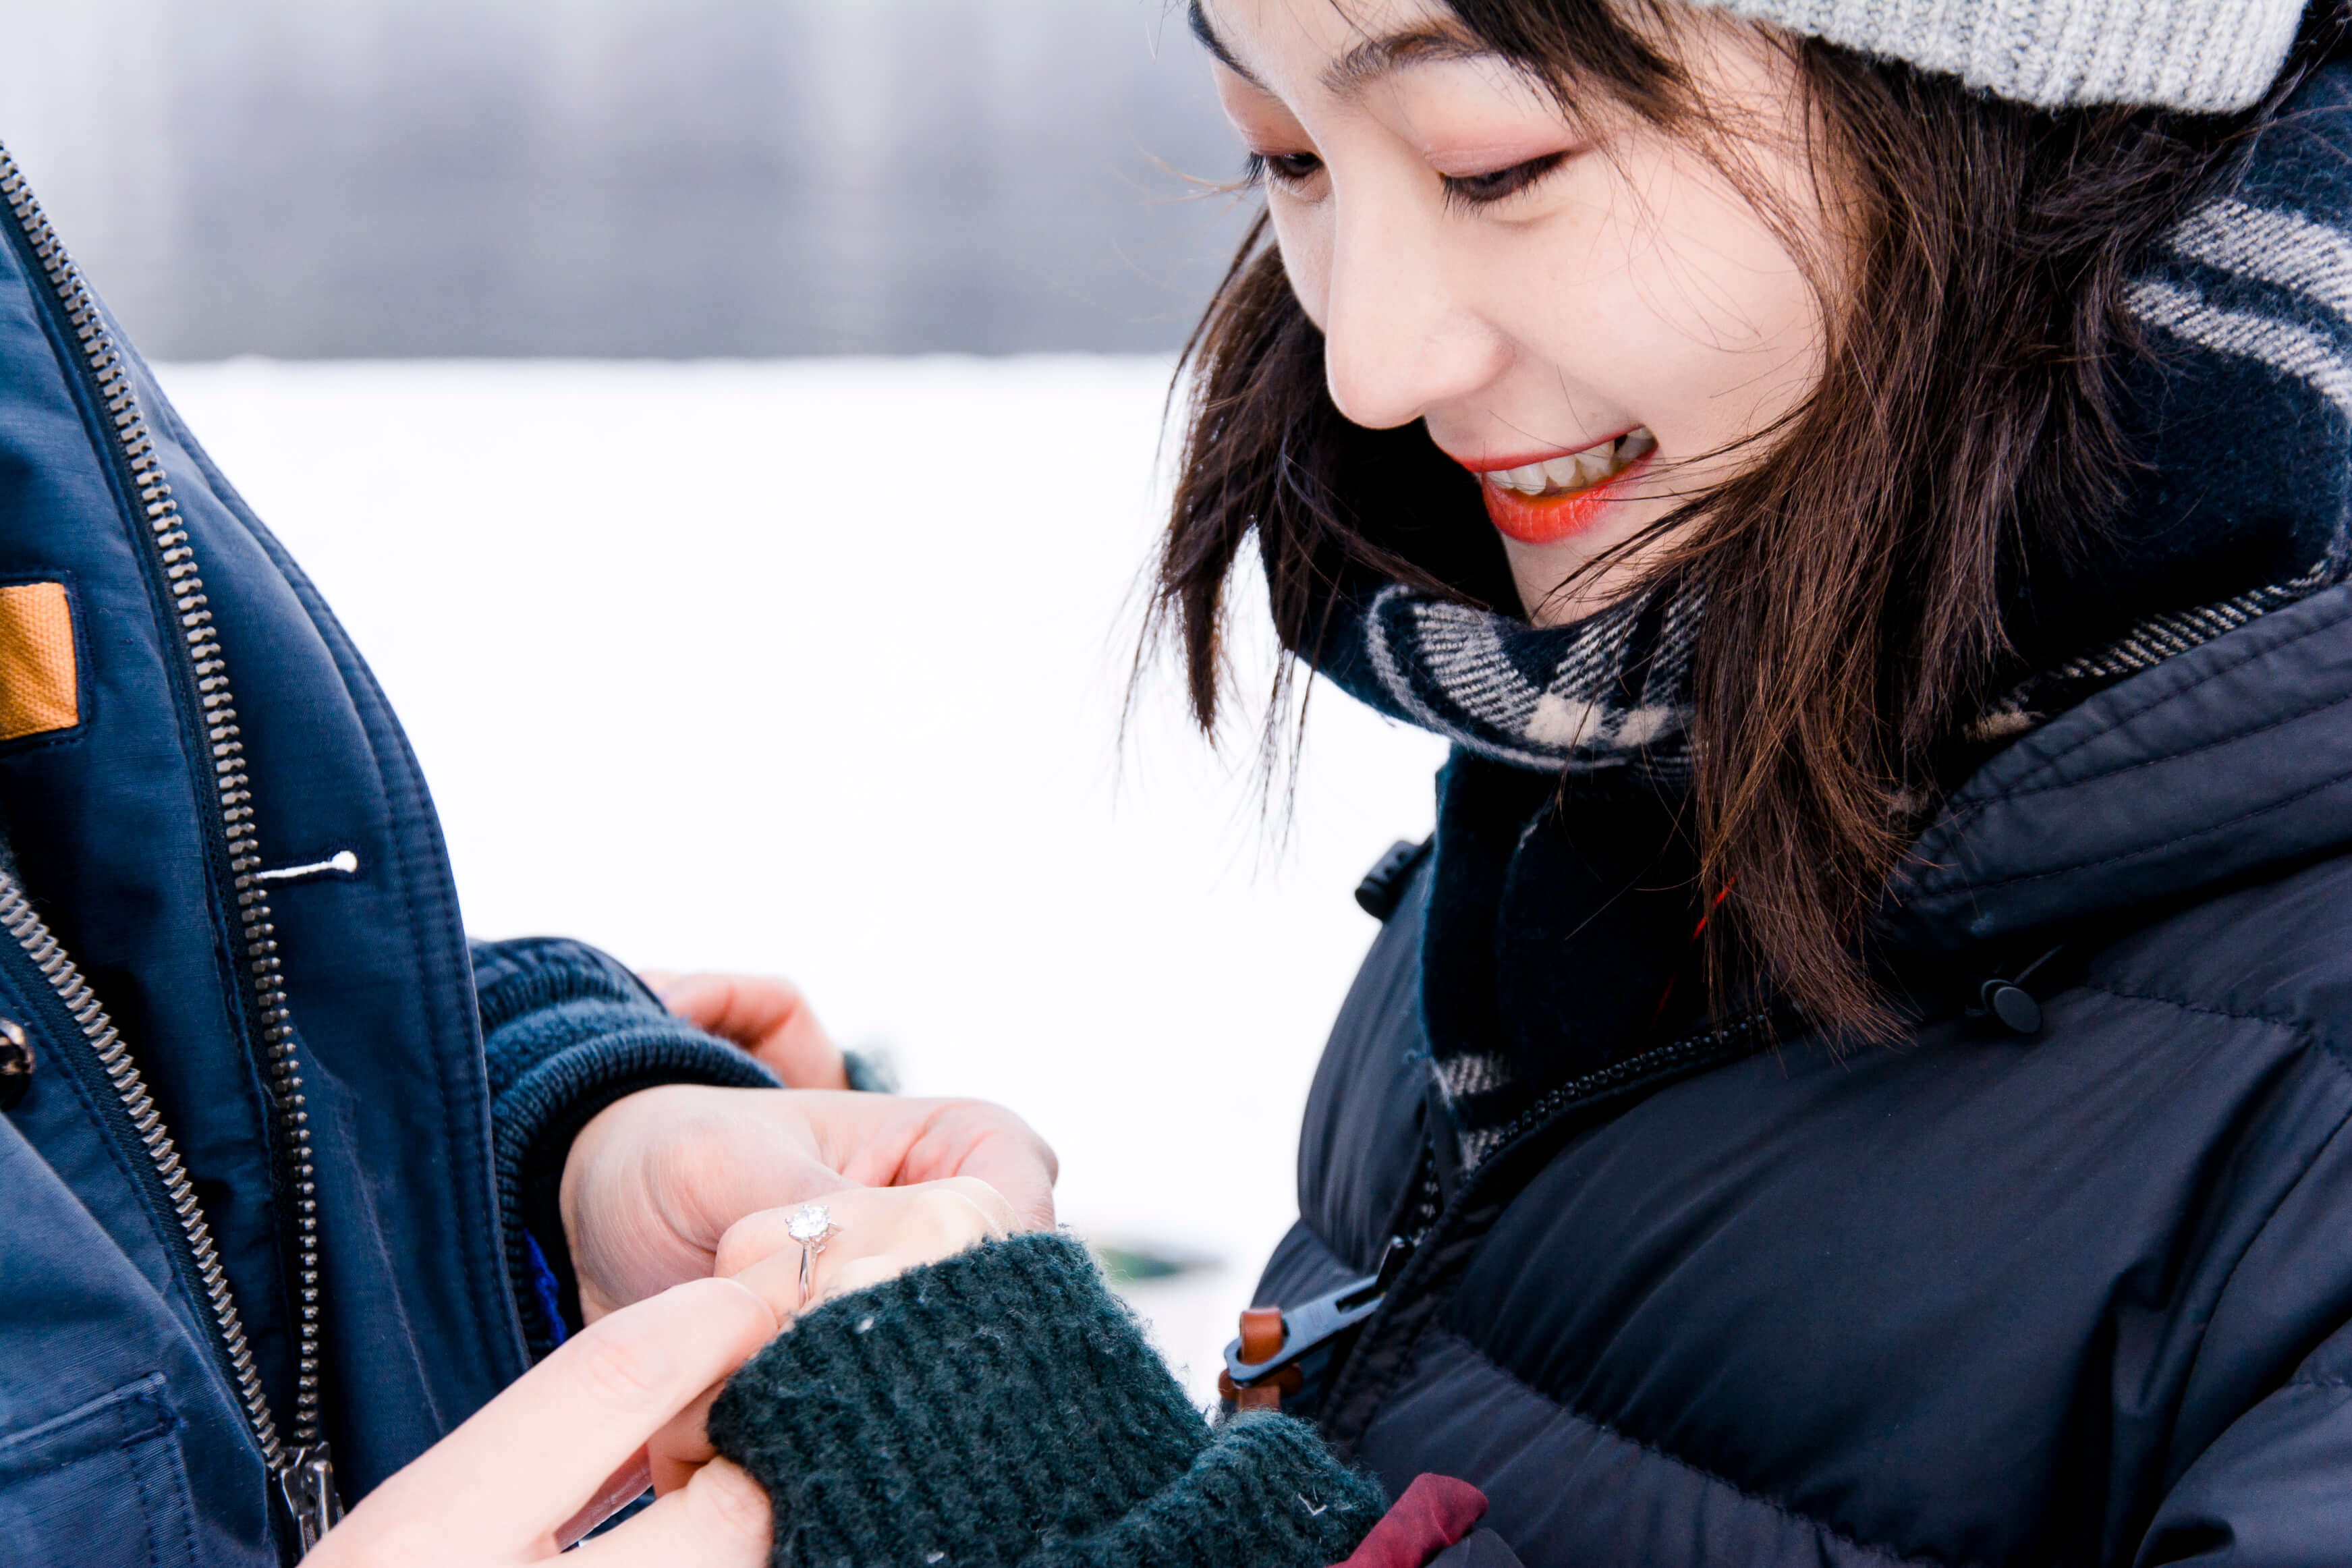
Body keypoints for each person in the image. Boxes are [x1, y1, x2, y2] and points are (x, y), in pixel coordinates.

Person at [11, 0, 2352, 1565]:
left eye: (1497, 157)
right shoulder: (1663, 736)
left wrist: (1076, 1509)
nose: (1369, 356)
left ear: (2030, 103)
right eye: (1283, 158)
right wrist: (556, 1144)